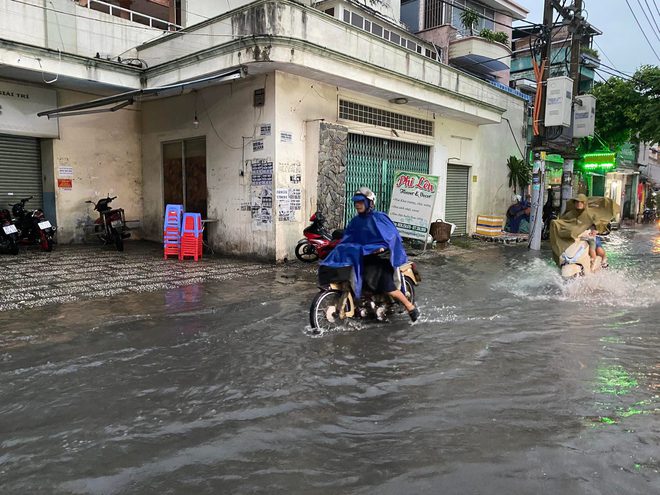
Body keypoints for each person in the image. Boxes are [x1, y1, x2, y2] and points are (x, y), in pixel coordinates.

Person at [321, 187, 419, 322]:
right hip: (363, 258)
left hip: (381, 259)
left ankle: (410, 307)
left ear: (369, 203)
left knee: (387, 287)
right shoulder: (355, 221)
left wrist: (381, 247)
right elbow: (349, 238)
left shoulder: (380, 218)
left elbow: (392, 236)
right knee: (356, 278)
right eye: (356, 202)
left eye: (360, 202)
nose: (357, 205)